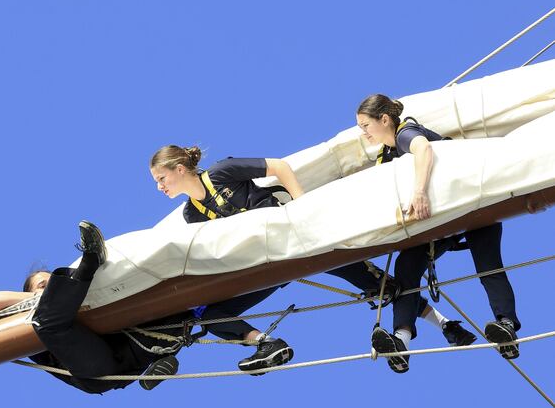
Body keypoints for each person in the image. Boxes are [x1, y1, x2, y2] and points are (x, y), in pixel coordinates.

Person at [148, 146, 473, 364]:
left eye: (161, 178)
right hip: (264, 266)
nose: (160, 187)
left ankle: (444, 325)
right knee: (209, 313)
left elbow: (278, 166)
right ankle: (264, 343)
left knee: (382, 286)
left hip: (296, 240)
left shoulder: (221, 172)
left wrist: (302, 206)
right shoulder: (193, 215)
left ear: (179, 169)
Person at [0, 221, 289, 393]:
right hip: (96, 370)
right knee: (47, 321)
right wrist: (48, 293)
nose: (50, 286)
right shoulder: (31, 314)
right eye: (43, 284)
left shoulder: (83, 300)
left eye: (53, 281)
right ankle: (90, 262)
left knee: (196, 308)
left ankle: (264, 344)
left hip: (136, 346)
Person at [356, 94, 521, 373]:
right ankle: (401, 340)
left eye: (365, 126)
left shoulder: (405, 133)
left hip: (473, 206)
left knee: (487, 265)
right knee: (407, 265)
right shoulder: (386, 157)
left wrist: (419, 192)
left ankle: (506, 325)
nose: (363, 133)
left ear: (384, 119)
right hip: (441, 223)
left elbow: (424, 150)